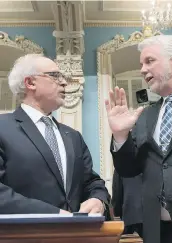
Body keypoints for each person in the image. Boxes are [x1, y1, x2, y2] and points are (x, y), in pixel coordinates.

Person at [105, 35, 172, 243]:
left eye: (149, 61)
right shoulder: (146, 115)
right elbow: (129, 170)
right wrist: (120, 135)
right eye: (141, 64)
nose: (143, 70)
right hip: (157, 232)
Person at [0, 54, 110, 216]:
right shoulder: (3, 128)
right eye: (55, 76)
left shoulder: (72, 136)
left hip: (76, 236)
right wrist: (54, 214)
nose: (64, 82)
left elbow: (91, 182)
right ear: (30, 83)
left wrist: (98, 199)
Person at [112, 170, 143, 238]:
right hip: (151, 217)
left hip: (128, 216)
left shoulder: (121, 164)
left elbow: (117, 193)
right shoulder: (151, 161)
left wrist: (118, 213)